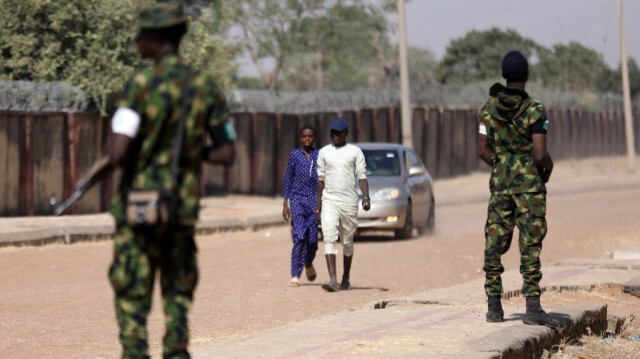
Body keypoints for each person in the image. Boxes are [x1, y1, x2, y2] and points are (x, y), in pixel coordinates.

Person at [82, 3, 236, 358]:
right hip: (179, 210)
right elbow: (227, 155)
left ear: (158, 38)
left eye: (142, 34)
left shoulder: (140, 85)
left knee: (132, 293)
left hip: (139, 209)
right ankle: (177, 351)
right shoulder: (204, 87)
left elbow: (117, 153)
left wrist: (92, 178)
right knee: (177, 295)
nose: (138, 40)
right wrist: (189, 151)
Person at [478, 50, 558, 328]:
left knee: (494, 243)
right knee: (530, 245)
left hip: (500, 187)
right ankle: (532, 307)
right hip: (530, 189)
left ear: (504, 75)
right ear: (526, 75)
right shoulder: (535, 109)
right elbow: (539, 153)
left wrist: (502, 165)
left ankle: (494, 307)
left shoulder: (487, 110)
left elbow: (482, 150)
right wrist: (547, 168)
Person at [315, 118, 370, 292]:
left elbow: (361, 176)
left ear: (346, 133)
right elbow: (320, 181)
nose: (335, 135)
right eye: (332, 132)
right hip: (329, 199)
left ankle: (346, 276)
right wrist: (318, 206)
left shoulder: (355, 152)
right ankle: (333, 280)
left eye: (339, 132)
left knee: (347, 241)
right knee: (329, 237)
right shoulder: (324, 152)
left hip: (349, 201)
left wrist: (366, 197)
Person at [282, 125, 320, 287]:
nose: (307, 139)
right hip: (297, 199)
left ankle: (308, 263)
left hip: (314, 200)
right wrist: (286, 202)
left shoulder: (319, 155)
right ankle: (295, 274)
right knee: (299, 237)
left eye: (310, 136)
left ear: (314, 138)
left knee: (312, 241)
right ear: (300, 138)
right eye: (304, 136)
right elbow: (288, 177)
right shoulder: (295, 155)